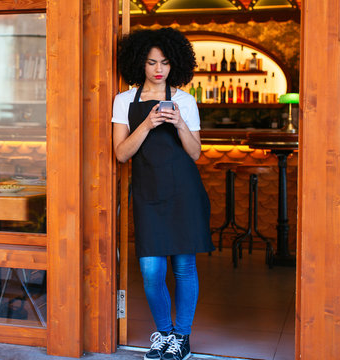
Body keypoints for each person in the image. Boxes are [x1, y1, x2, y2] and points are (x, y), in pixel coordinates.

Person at [112, 28, 215, 360]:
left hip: (183, 193)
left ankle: (181, 337)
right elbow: (121, 154)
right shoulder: (124, 100)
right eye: (152, 62)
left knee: (184, 267)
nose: (158, 69)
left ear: (175, 65)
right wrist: (148, 123)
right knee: (151, 272)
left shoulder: (185, 100)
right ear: (139, 63)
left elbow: (196, 153)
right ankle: (164, 334)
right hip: (147, 194)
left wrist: (180, 123)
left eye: (165, 63)